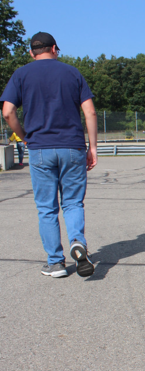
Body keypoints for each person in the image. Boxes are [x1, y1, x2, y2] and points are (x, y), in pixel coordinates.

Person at [0, 32, 97, 278]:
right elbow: (90, 112)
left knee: (46, 207)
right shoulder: (72, 73)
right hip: (72, 147)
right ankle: (78, 242)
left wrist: (25, 137)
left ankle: (55, 263)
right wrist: (92, 147)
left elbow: (8, 111)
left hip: (40, 148)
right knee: (73, 202)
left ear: (32, 52)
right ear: (54, 48)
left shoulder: (21, 74)